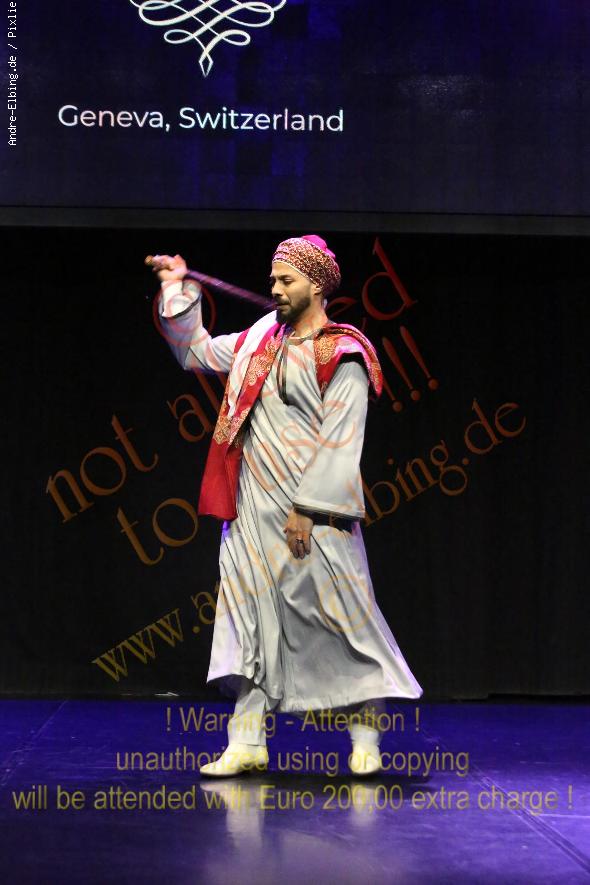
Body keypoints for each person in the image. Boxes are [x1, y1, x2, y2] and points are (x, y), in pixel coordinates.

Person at [152, 234, 422, 777]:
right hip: (251, 508)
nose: (274, 288)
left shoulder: (343, 352)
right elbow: (196, 352)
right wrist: (176, 290)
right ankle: (247, 740)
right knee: (248, 620)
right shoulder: (259, 339)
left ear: (316, 285)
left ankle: (365, 739)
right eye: (273, 279)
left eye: (286, 280)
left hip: (315, 512)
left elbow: (342, 438)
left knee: (343, 619)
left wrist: (308, 508)